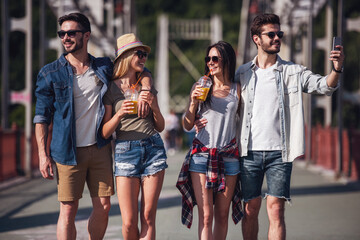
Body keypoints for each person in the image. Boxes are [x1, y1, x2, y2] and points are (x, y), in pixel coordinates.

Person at [101, 33, 168, 240]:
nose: (143, 58)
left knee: (148, 216)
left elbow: (161, 126)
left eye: (144, 55)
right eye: (138, 54)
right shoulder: (110, 88)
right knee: (129, 222)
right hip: (124, 150)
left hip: (153, 148)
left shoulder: (145, 83)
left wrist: (154, 104)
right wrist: (120, 114)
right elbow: (104, 132)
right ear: (125, 56)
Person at [176, 41, 243, 240]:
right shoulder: (200, 85)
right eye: (208, 59)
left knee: (222, 215)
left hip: (229, 156)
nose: (210, 63)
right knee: (206, 215)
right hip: (201, 156)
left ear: (227, 60)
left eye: (215, 58)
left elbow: (245, 121)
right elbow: (187, 125)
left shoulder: (237, 89)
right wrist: (193, 104)